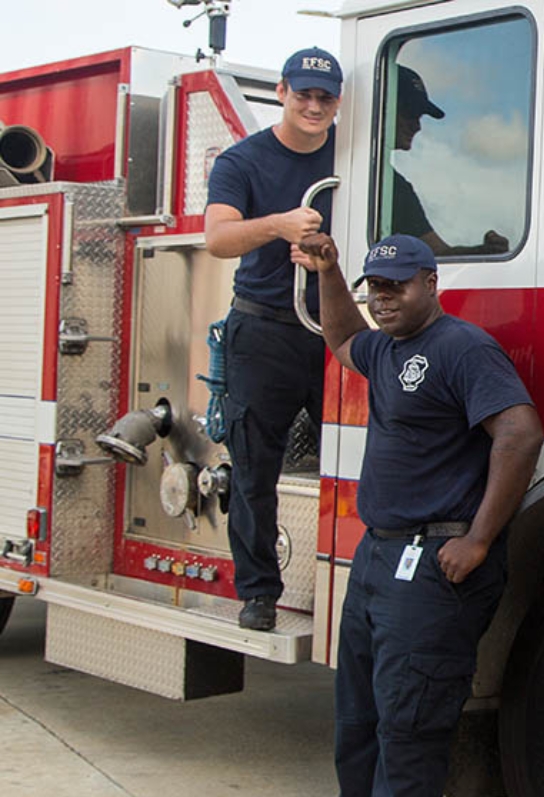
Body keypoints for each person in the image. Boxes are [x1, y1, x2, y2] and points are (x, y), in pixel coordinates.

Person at [295, 232, 542, 797]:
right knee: (358, 728)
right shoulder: (387, 346)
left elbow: (520, 434)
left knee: (408, 735)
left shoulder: (461, 348)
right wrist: (330, 271)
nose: (384, 298)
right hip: (378, 557)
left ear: (431, 282)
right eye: (376, 287)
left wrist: (480, 540)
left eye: (397, 285)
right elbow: (343, 341)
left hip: (433, 565)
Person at [204, 47, 343, 630]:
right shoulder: (244, 161)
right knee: (255, 468)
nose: (314, 105)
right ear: (282, 92)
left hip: (337, 329)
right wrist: (279, 226)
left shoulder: (353, 156)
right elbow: (217, 237)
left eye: (325, 96)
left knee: (355, 457)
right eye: (304, 93)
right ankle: (258, 591)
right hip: (262, 327)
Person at [389, 64, 508, 256]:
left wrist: (484, 251)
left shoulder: (394, 187)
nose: (417, 126)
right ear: (384, 106)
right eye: (410, 113)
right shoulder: (387, 185)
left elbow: (434, 254)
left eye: (419, 117)